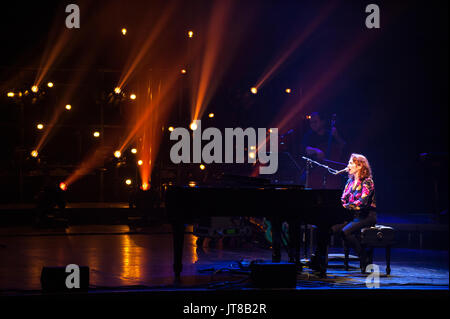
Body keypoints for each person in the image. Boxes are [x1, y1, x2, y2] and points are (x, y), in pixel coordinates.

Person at [332, 153, 377, 272]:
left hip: (367, 216)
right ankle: (320, 261)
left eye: (350, 163)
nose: (348, 166)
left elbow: (363, 202)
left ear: (359, 166)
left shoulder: (368, 181)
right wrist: (336, 205)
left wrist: (345, 206)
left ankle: (363, 257)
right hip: (353, 215)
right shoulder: (350, 182)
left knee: (345, 231)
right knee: (332, 228)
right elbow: (343, 199)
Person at [300, 112, 346, 189]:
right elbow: (306, 149)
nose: (312, 124)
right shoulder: (309, 135)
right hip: (314, 170)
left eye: (315, 122)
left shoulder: (330, 134)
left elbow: (343, 146)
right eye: (311, 122)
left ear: (322, 122)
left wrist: (337, 136)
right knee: (302, 180)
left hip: (331, 170)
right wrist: (316, 150)